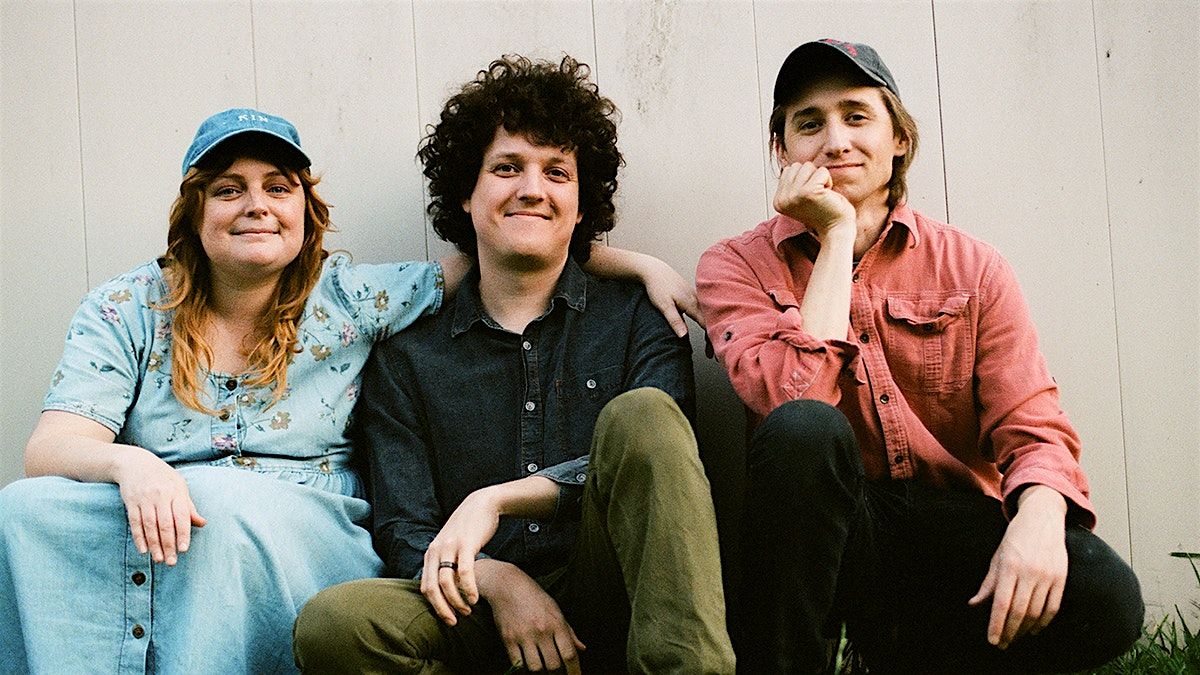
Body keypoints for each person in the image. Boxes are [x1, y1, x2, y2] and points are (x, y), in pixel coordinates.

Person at [0, 108, 698, 674]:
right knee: (24, 510)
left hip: (298, 522)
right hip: (169, 504)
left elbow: (519, 244)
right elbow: (52, 447)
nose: (256, 206)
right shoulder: (128, 307)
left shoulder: (350, 299)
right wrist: (132, 463)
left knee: (215, 506)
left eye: (278, 188)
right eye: (229, 189)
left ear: (306, 212)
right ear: (194, 210)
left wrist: (638, 264)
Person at [696, 39, 1144, 673]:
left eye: (857, 116)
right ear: (782, 150)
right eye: (809, 124)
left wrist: (1040, 517)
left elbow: (1031, 422)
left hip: (950, 530)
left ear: (899, 139)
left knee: (1108, 597)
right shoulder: (736, 265)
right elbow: (796, 399)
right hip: (827, 538)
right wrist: (835, 236)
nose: (835, 142)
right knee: (803, 430)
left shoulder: (973, 266)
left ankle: (920, 655)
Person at [292, 55, 736, 674]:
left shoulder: (639, 317)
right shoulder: (408, 355)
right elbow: (405, 532)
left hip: (615, 588)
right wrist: (496, 579)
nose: (532, 188)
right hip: (474, 609)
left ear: (580, 207)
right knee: (337, 625)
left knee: (644, 414)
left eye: (557, 172)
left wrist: (497, 500)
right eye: (507, 168)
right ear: (466, 195)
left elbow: (655, 461)